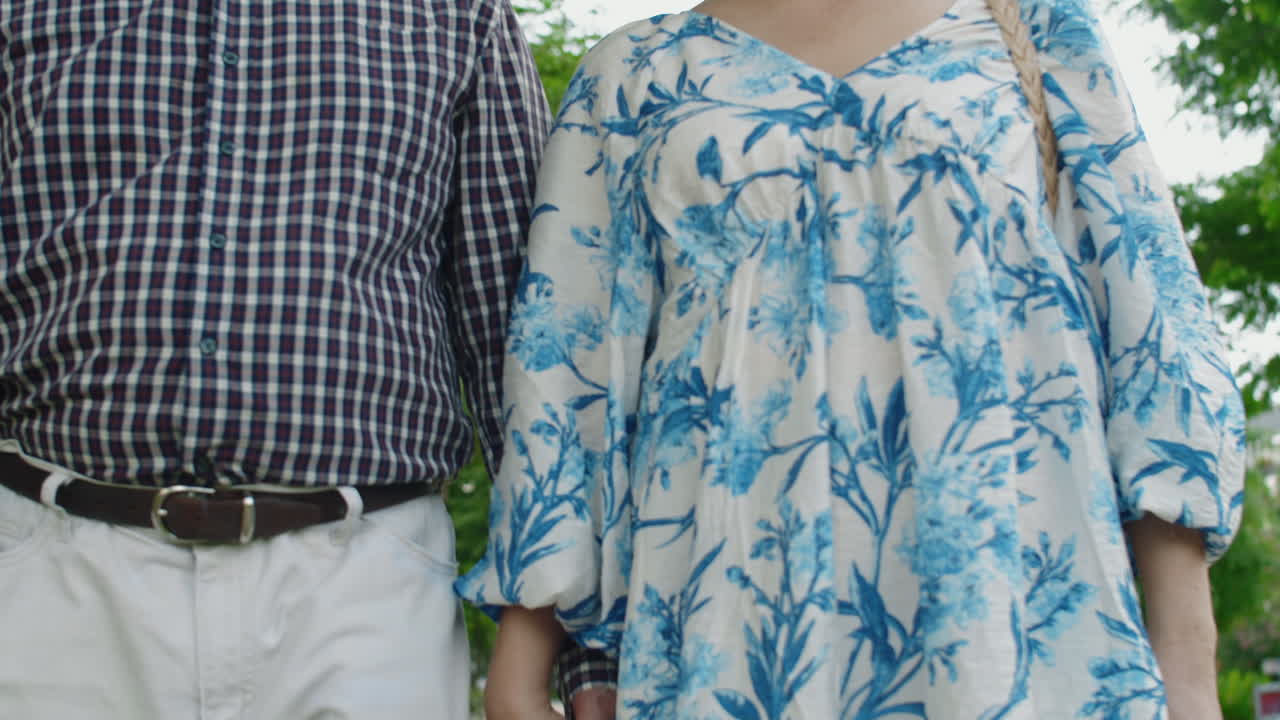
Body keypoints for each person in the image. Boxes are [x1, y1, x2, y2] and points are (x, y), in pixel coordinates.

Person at [458, 0, 1247, 718]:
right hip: (733, 628)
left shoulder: (1036, 38)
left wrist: (1188, 672)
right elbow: (567, 376)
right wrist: (521, 673)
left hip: (1020, 629)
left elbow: (1156, 343)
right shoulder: (634, 75)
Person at [0, 0, 610, 716]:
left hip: (364, 584)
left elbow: (520, 337)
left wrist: (582, 655)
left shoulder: (459, 14)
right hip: (51, 565)